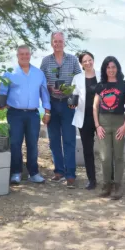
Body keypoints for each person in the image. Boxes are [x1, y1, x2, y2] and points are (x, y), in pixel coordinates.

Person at [0, 45, 51, 185]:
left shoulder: (38, 73)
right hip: (15, 114)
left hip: (33, 114)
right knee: (15, 143)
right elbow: (0, 91)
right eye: (22, 54)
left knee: (33, 144)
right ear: (17, 55)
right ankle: (16, 173)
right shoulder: (9, 73)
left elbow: (44, 93)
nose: (25, 56)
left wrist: (47, 111)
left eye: (27, 54)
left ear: (30, 55)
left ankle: (34, 173)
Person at [40, 32, 82, 188]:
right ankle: (59, 171)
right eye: (55, 41)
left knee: (69, 140)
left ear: (64, 43)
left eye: (60, 41)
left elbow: (79, 81)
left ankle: (70, 175)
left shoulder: (72, 60)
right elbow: (41, 84)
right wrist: (46, 107)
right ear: (51, 43)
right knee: (54, 140)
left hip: (68, 104)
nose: (58, 44)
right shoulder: (45, 61)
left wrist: (73, 97)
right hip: (51, 103)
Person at [93, 56, 125, 200]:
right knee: (105, 157)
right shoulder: (101, 85)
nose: (111, 70)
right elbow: (95, 106)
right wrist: (97, 125)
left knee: (118, 156)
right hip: (103, 123)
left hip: (119, 122)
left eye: (113, 67)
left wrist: (124, 125)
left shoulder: (124, 85)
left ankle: (118, 185)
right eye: (108, 67)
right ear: (105, 69)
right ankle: (106, 184)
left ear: (118, 68)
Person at [70, 51, 100, 190]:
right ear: (81, 64)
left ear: (93, 60)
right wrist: (71, 103)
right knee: (88, 150)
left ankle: (109, 179)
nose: (88, 63)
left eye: (90, 60)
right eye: (84, 61)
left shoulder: (102, 75)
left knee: (106, 150)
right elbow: (73, 95)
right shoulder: (77, 78)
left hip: (102, 117)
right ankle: (91, 179)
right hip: (84, 117)